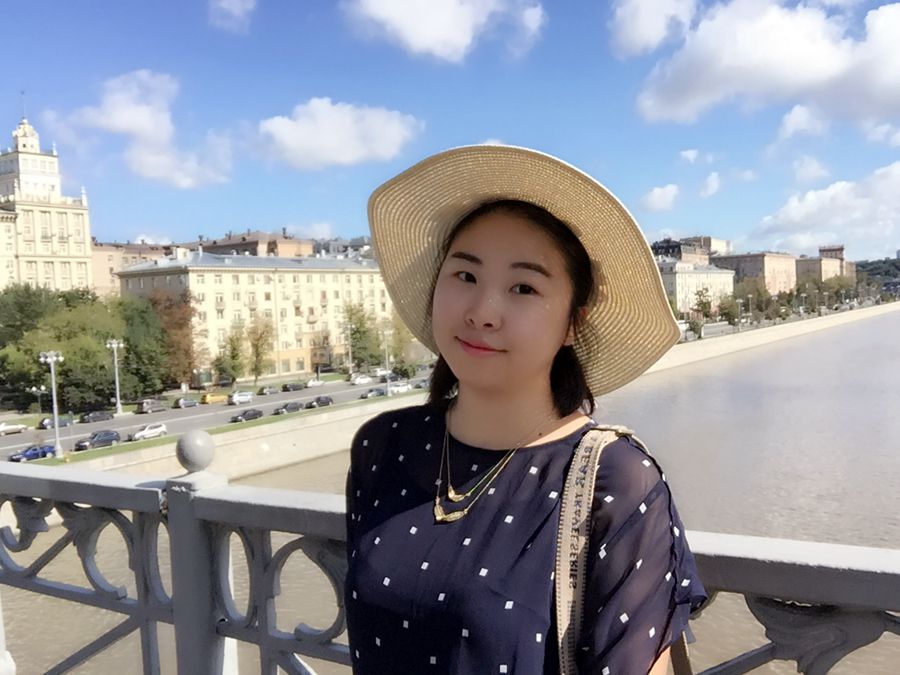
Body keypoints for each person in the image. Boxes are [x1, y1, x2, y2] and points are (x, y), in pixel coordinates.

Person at [345, 145, 707, 674]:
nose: (483, 312)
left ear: (572, 324)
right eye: (465, 276)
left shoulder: (617, 482)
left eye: (523, 287)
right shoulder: (384, 446)